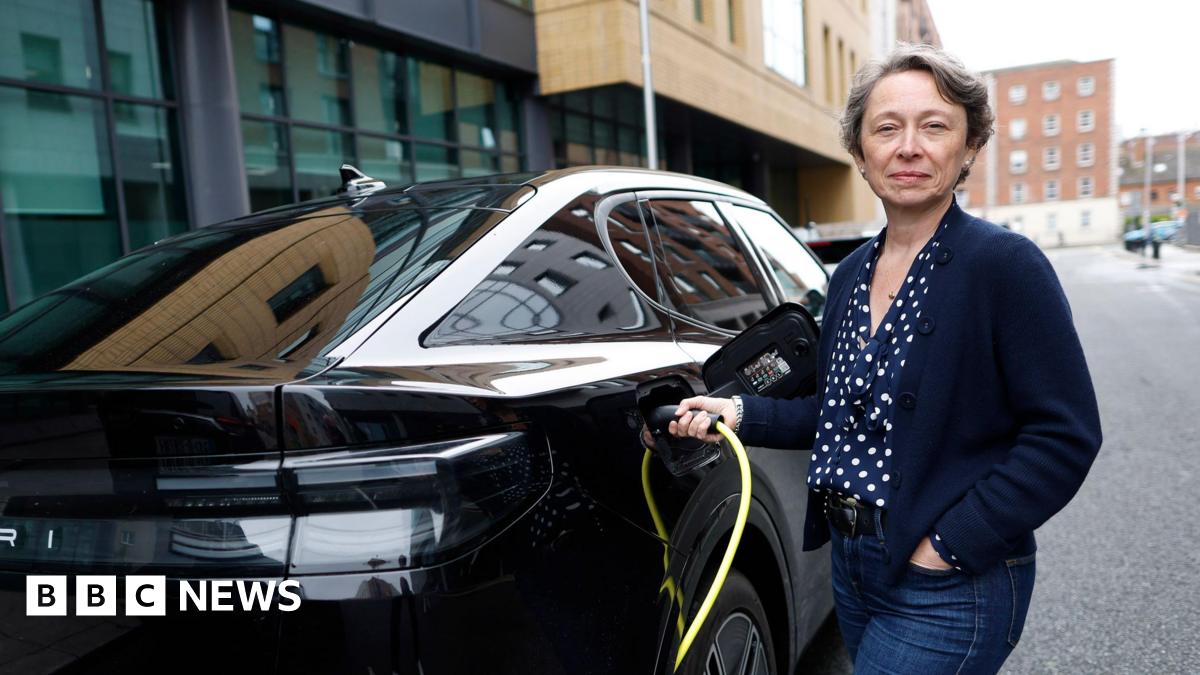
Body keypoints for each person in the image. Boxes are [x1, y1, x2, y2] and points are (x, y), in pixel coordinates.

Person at [660, 43, 1102, 674]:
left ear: (969, 146)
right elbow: (840, 413)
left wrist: (951, 544)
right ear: (861, 155)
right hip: (852, 565)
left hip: (950, 581)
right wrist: (738, 411)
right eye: (887, 128)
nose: (909, 146)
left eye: (935, 126)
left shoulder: (1003, 266)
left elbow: (1065, 435)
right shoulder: (849, 277)